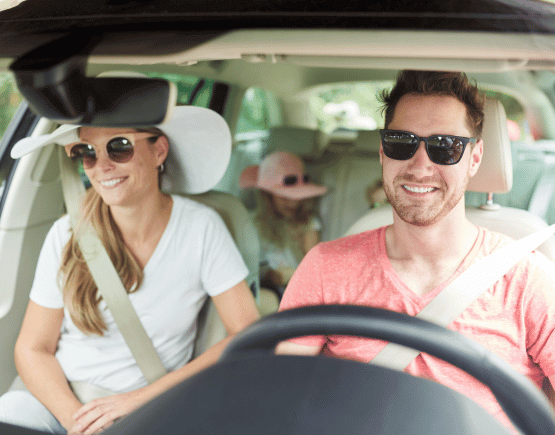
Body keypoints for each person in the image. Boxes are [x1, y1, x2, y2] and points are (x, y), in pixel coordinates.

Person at [276, 70, 555, 429]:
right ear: (382, 152)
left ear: (474, 158)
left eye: (445, 146)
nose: (420, 166)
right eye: (401, 142)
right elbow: (281, 398)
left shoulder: (527, 278)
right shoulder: (326, 267)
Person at [0, 106, 260, 435]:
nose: (102, 166)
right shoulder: (67, 233)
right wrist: (75, 420)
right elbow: (32, 348)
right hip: (59, 402)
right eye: (87, 153)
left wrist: (138, 400)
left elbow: (246, 333)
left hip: (149, 407)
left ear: (159, 150)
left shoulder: (201, 228)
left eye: (119, 146)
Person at [239, 151, 327, 295]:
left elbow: (315, 265)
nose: (292, 202)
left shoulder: (308, 223)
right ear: (267, 196)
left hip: (296, 289)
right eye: (284, 197)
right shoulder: (251, 223)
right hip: (259, 286)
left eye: (297, 196)